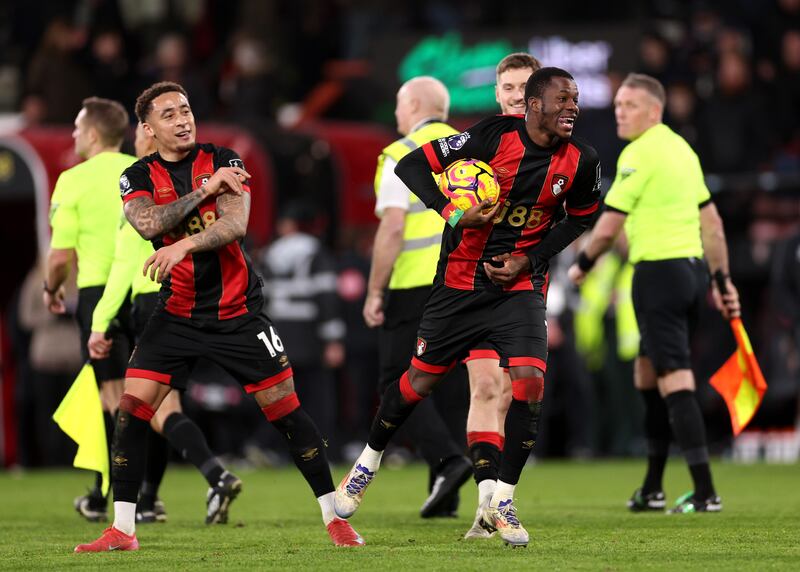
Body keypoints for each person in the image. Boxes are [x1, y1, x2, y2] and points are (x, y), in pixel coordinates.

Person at [74, 81, 364, 552]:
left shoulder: (226, 158)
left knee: (287, 414)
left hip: (237, 314)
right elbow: (148, 223)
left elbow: (236, 224)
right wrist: (204, 193)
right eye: (168, 114)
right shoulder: (136, 174)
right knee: (131, 411)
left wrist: (186, 240)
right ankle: (123, 530)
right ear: (147, 129)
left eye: (185, 109)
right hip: (177, 314)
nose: (182, 119)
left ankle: (335, 517)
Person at [337, 67, 602, 547]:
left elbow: (581, 217)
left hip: (518, 289)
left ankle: (502, 499)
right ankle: (367, 462)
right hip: (458, 286)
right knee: (417, 383)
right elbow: (412, 166)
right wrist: (454, 211)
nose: (572, 108)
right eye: (563, 99)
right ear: (533, 105)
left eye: (576, 99)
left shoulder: (582, 160)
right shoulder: (490, 136)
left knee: (530, 383)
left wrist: (530, 257)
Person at [567, 73, 740, 513]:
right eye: (619, 104)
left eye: (629, 105)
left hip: (657, 274)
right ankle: (653, 487)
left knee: (673, 377)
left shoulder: (638, 154)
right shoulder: (683, 151)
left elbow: (609, 224)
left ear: (654, 111)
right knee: (648, 375)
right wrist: (721, 282)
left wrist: (581, 265)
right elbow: (713, 224)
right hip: (691, 273)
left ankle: (705, 492)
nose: (620, 111)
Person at [87, 123, 241, 525]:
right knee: (161, 407)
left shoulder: (139, 199)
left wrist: (100, 322)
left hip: (153, 301)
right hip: (201, 296)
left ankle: (212, 475)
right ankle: (152, 497)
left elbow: (123, 266)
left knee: (135, 406)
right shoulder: (184, 185)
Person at [362, 76, 471, 519]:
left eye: (397, 105)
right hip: (465, 283)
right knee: (449, 385)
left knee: (396, 381)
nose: (394, 115)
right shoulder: (471, 148)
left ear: (411, 105)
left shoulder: (402, 153)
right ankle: (446, 490)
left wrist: (374, 290)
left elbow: (392, 227)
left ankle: (447, 462)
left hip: (414, 286)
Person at [44, 96, 136, 521]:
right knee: (151, 395)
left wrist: (51, 288)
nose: (74, 135)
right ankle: (145, 494)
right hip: (146, 289)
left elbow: (61, 256)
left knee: (112, 399)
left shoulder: (73, 179)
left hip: (100, 293)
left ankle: (112, 496)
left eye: (78, 128)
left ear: (94, 134)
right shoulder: (141, 172)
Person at [461, 52, 541, 540]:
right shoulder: (481, 141)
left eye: (524, 87)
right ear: (497, 93)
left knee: (511, 394)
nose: (515, 95)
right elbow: (450, 196)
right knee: (486, 388)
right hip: (475, 283)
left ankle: (497, 501)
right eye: (507, 87)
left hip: (528, 284)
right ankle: (486, 505)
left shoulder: (559, 147)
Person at [257, 201, 346, 460]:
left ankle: (279, 450)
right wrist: (334, 340)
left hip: (279, 333)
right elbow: (327, 296)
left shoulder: (271, 252)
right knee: (318, 396)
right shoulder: (316, 252)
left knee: (282, 396)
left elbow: (262, 298)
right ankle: (323, 446)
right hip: (310, 334)